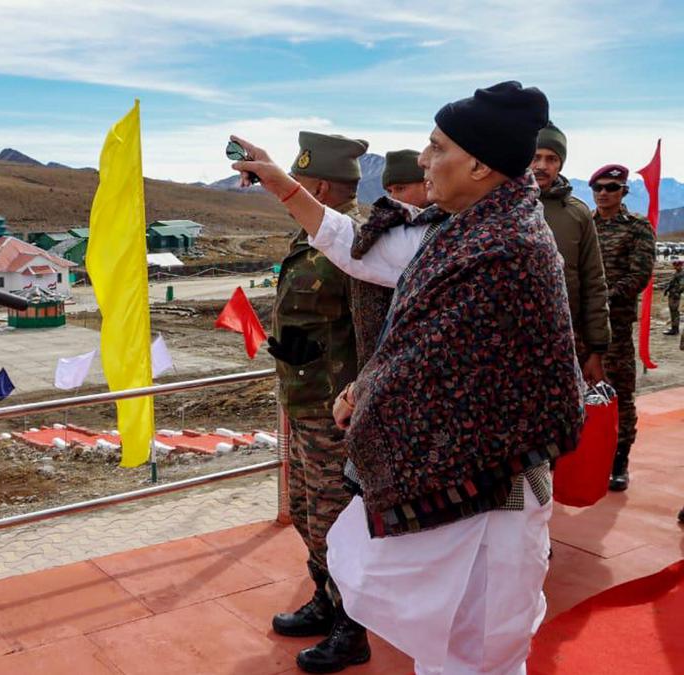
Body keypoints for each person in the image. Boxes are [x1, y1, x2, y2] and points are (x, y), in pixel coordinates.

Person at [233, 81, 585, 674]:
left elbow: (436, 366)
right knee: (448, 644)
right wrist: (284, 186)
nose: (424, 159)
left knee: (482, 646)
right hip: (465, 481)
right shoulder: (465, 229)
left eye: (436, 146)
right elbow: (361, 249)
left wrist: (367, 391)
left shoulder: (503, 248)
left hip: (493, 485)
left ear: (478, 164)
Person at [266, 131, 371, 672]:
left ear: (322, 187)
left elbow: (376, 329)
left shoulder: (355, 241)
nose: (292, 193)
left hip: (335, 410)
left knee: (337, 521)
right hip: (304, 400)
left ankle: (353, 629)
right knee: (309, 513)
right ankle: (326, 602)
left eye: (299, 183)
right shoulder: (311, 238)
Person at [591, 164, 656, 491]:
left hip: (614, 326)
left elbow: (639, 275)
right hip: (579, 325)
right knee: (575, 390)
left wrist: (602, 298)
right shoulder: (583, 223)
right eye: (598, 187)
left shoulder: (637, 227)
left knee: (619, 392)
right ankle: (580, 456)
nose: (604, 193)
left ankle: (620, 460)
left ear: (623, 192)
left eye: (611, 187)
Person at [532, 122, 610, 385]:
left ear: (560, 165)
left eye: (551, 159)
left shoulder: (578, 214)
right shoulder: (497, 207)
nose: (542, 165)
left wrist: (596, 348)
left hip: (567, 339)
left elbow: (593, 282)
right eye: (535, 156)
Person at [664, 259, 684, 335]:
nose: (675, 266)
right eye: (674, 265)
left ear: (680, 265)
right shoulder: (677, 273)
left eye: (676, 265)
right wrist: (667, 289)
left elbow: (682, 286)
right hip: (672, 294)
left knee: (674, 312)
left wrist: (677, 292)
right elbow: (672, 283)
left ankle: (675, 330)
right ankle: (674, 327)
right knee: (672, 312)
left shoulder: (681, 274)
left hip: (675, 295)